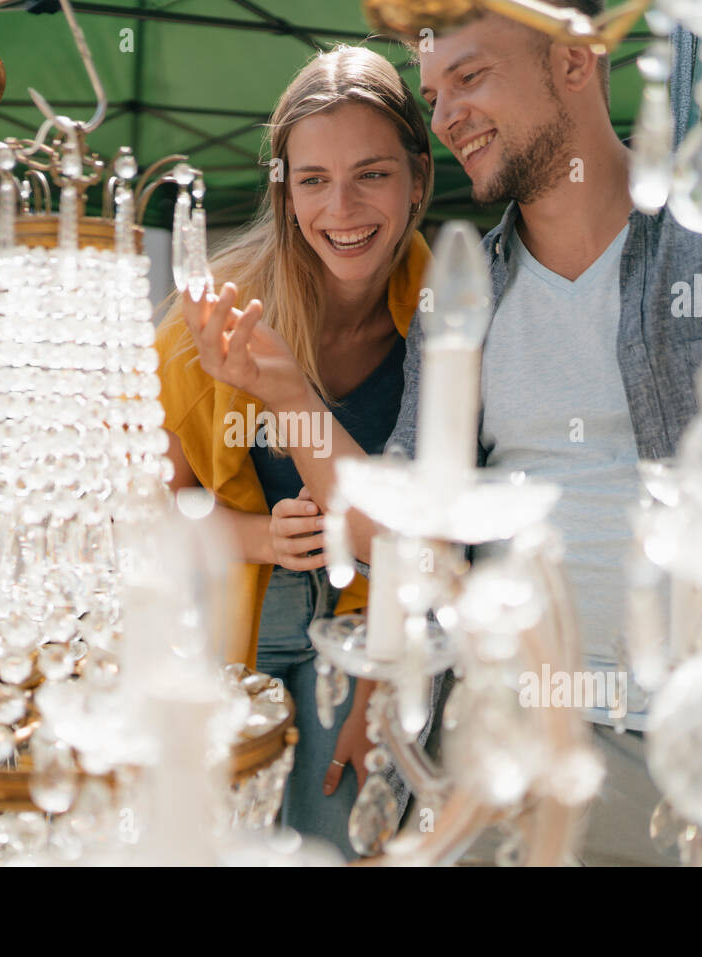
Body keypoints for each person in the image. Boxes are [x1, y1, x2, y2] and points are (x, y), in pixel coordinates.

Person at [178, 1, 702, 866]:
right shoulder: (463, 303)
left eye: (470, 76)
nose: (447, 112)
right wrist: (281, 386)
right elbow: (406, 542)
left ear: (575, 60)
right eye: (433, 91)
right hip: (525, 758)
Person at [155, 45, 433, 860]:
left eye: (371, 174)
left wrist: (379, 687)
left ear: (418, 177)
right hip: (233, 617)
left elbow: (422, 546)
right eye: (312, 179)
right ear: (283, 189)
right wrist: (255, 537)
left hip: (368, 631)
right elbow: (137, 512)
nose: (341, 207)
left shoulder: (451, 315)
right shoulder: (212, 318)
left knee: (335, 844)